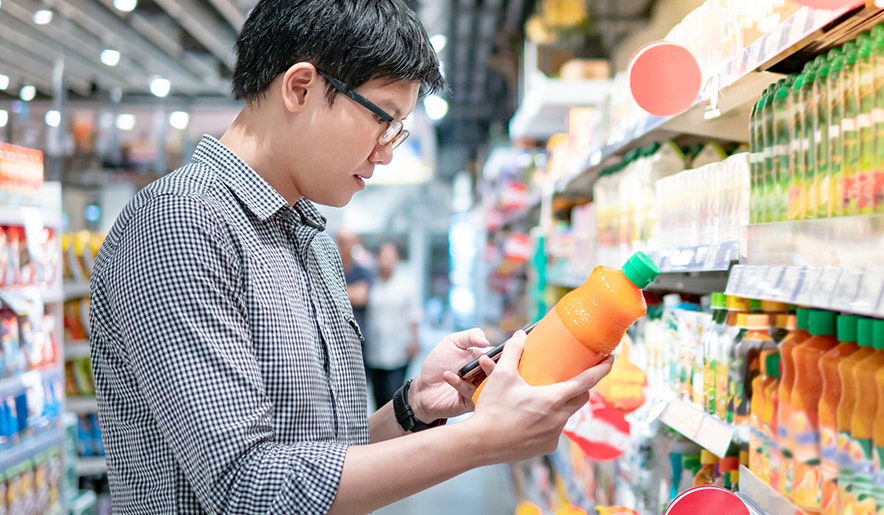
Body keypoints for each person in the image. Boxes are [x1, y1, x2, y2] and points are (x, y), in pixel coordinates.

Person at [86, 0, 612, 513]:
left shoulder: (310, 237)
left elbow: (321, 454)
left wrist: (412, 408)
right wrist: (485, 440)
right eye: (384, 118)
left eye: (399, 130)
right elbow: (246, 487)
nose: (387, 149)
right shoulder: (180, 223)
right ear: (300, 88)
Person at [364, 242, 422, 408]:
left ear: (397, 259)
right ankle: (381, 432)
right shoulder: (372, 283)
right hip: (374, 350)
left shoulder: (406, 284)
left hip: (399, 349)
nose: (387, 261)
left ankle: (394, 432)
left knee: (394, 395)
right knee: (377, 397)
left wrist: (414, 341)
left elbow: (414, 315)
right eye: (383, 257)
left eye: (391, 257)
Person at [336, 228, 374, 351]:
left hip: (357, 337)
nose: (342, 245)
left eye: (346, 241)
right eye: (340, 241)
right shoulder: (330, 268)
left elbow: (361, 297)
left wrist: (333, 291)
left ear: (354, 243)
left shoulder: (362, 271)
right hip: (335, 336)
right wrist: (351, 291)